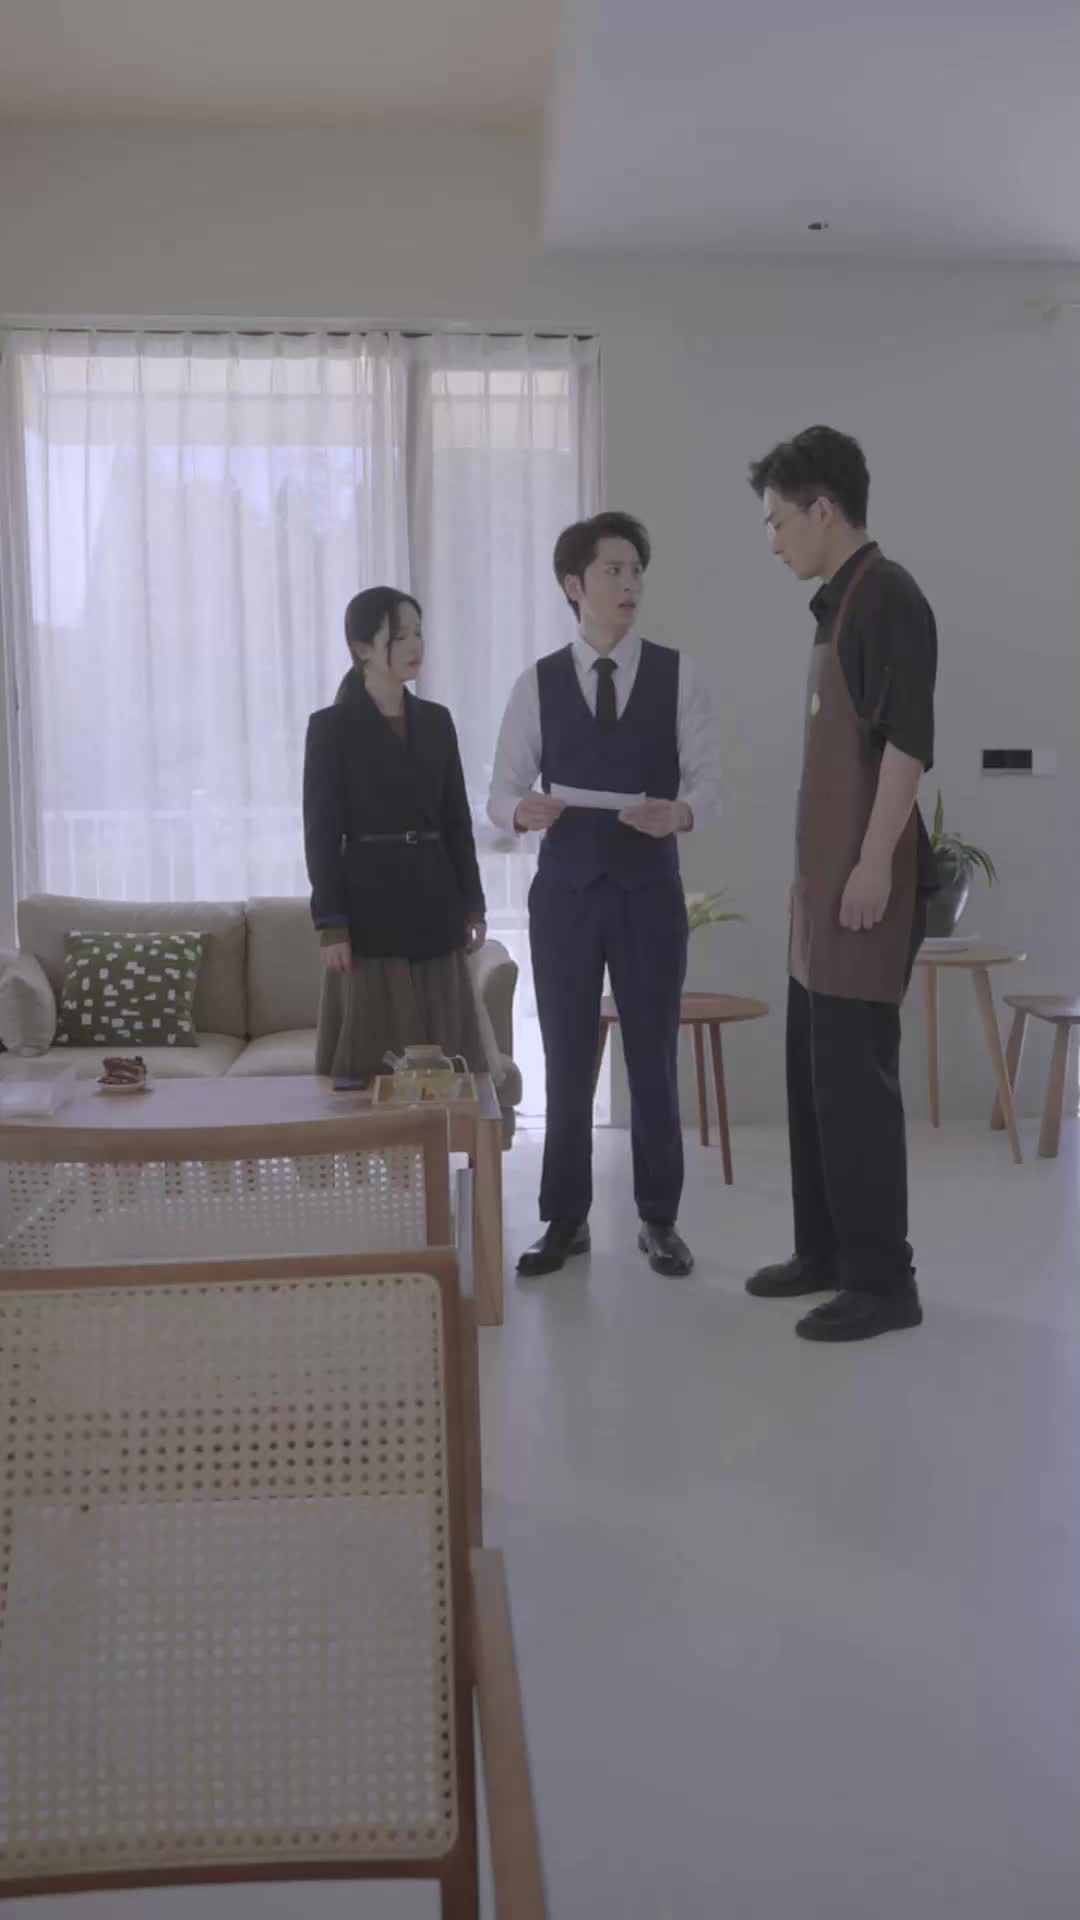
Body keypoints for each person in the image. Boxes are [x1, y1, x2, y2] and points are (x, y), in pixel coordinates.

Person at [488, 511, 721, 1279]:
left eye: (635, 571)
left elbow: (708, 786)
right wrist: (522, 812)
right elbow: (500, 793)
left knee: (652, 1055)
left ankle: (660, 1219)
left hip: (649, 892)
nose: (629, 584)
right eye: (613, 570)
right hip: (565, 895)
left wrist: (677, 814)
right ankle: (565, 1220)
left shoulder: (681, 676)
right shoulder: (538, 682)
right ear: (574, 585)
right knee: (565, 1054)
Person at [747, 426, 938, 1342]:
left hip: (865, 889)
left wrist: (869, 865)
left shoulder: (886, 595)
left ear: (824, 509)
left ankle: (882, 1282)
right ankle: (823, 1250)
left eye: (778, 520)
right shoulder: (838, 603)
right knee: (814, 1078)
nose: (773, 539)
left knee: (856, 1086)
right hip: (821, 896)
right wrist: (811, 880)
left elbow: (905, 745)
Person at [304, 587, 488, 1085]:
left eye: (419, 633)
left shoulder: (437, 721)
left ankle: (446, 1139)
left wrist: (473, 904)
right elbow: (320, 832)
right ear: (362, 647)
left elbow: (456, 821)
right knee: (370, 1065)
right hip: (370, 907)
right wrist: (331, 924)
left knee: (447, 1062)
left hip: (435, 899)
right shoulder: (331, 728)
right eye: (400, 635)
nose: (415, 645)